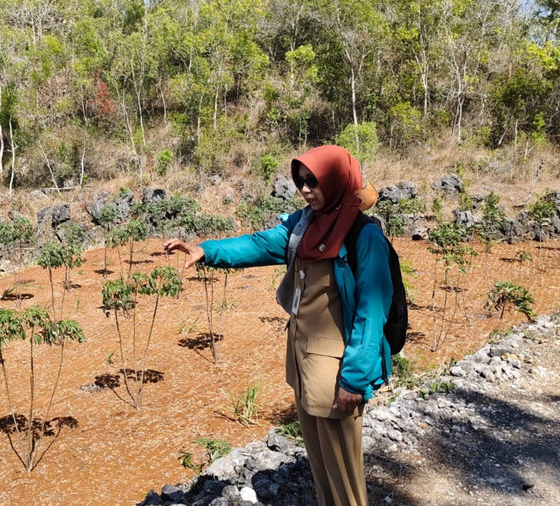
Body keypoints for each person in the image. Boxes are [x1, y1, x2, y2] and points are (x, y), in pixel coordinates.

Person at [163, 145, 392, 506]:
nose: (305, 189)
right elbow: (258, 245)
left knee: (345, 477)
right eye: (300, 181)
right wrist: (206, 251)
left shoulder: (363, 236)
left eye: (314, 181)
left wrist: (356, 378)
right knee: (320, 465)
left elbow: (373, 308)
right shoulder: (304, 225)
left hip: (338, 373)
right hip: (304, 365)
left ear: (335, 181)